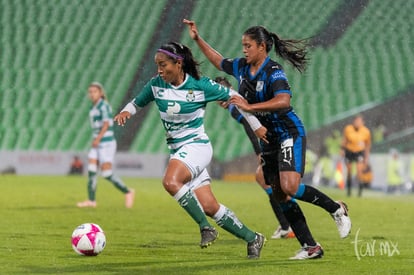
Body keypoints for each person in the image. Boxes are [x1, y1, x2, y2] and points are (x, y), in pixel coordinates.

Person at [184, 19, 351, 260]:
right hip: (269, 140)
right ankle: (311, 247)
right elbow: (218, 61)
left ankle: (336, 209)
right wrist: (198, 39)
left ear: (262, 47)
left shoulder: (273, 71)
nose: (244, 50)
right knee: (279, 194)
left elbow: (284, 101)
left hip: (288, 133)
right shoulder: (241, 67)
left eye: (248, 45)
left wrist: (250, 106)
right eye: (243, 45)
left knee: (290, 187)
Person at [114, 42, 265, 259]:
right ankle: (253, 238)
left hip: (197, 146)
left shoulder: (201, 85)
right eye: (157, 65)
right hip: (179, 151)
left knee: (170, 181)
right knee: (210, 206)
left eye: (163, 65)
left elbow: (236, 98)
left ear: (178, 63)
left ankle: (206, 228)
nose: (159, 70)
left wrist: (257, 126)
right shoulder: (156, 85)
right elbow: (137, 102)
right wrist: (125, 112)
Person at [214, 76, 294, 239]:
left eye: (220, 95)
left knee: (277, 183)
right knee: (270, 182)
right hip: (276, 135)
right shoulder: (236, 102)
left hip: (275, 138)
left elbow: (251, 127)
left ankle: (290, 224)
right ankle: (287, 225)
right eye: (216, 96)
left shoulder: (235, 105)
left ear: (228, 89)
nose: (219, 100)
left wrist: (259, 152)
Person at [77, 82, 135, 208]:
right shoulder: (93, 107)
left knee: (106, 174)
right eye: (90, 92)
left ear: (100, 93)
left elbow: (107, 124)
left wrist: (98, 138)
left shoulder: (104, 106)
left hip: (106, 143)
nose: (92, 94)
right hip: (96, 143)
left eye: (94, 91)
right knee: (91, 170)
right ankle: (91, 201)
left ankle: (128, 192)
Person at [341, 115, 372, 197]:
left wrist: (366, 157)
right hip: (349, 151)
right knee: (349, 172)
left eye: (359, 121)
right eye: (356, 121)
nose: (357, 123)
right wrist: (342, 149)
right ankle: (349, 191)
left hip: (359, 152)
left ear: (363, 123)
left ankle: (360, 192)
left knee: (359, 171)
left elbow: (368, 145)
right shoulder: (348, 129)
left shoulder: (366, 132)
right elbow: (344, 140)